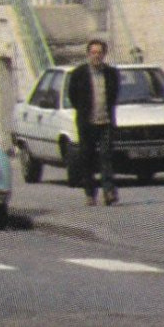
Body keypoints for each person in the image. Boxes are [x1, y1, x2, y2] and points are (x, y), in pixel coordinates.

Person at [65, 38, 121, 207]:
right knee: (87, 157)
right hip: (87, 122)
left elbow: (114, 94)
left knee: (106, 156)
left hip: (105, 121)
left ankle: (109, 191)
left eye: (100, 53)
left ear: (104, 54)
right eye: (93, 53)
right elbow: (72, 96)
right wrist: (83, 111)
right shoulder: (78, 74)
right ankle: (90, 193)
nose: (96, 56)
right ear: (88, 54)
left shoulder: (111, 73)